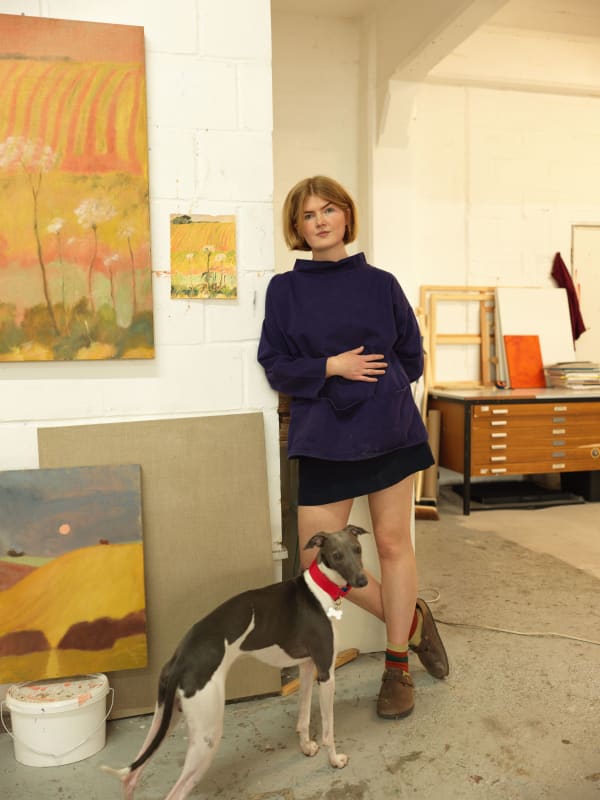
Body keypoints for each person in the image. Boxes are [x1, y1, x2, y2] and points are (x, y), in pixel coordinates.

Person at [258, 175, 448, 719]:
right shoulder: (284, 291)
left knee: (392, 545)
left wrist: (379, 392)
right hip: (322, 436)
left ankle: (396, 666)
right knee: (316, 560)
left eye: (328, 210)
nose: (319, 221)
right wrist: (331, 367)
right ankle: (412, 621)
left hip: (389, 430)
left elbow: (411, 358)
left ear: (346, 216)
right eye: (307, 214)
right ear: (296, 227)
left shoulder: (382, 283)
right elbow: (275, 364)